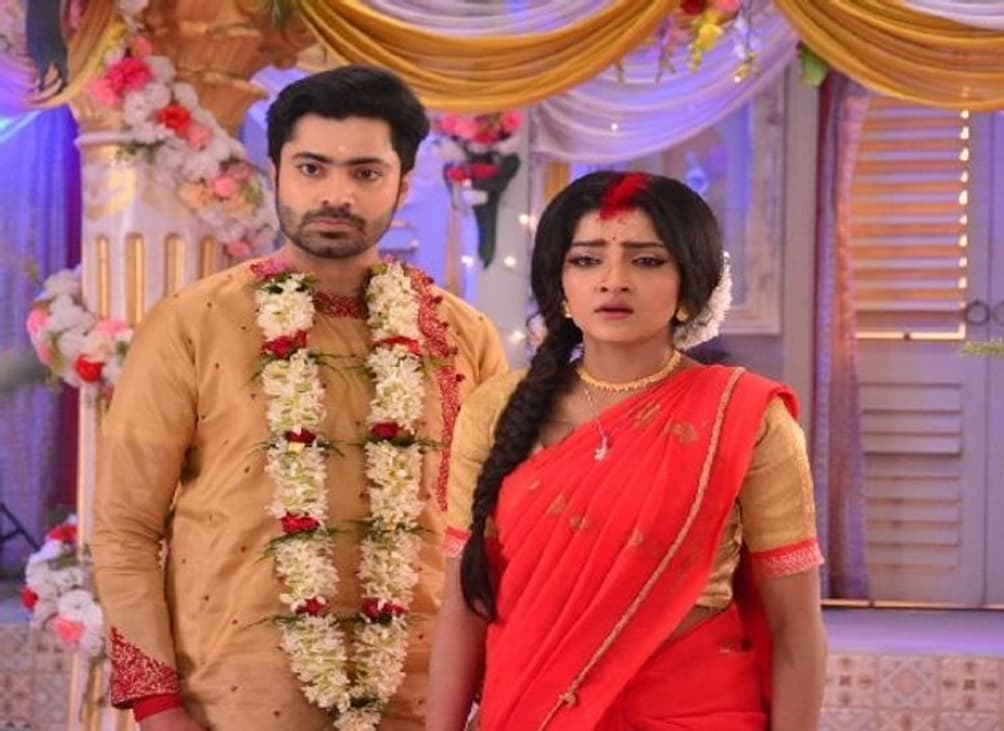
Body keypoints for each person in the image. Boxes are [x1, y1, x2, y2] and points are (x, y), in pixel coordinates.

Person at [91, 66, 507, 730]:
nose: (336, 194)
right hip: (231, 704)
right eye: (312, 168)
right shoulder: (192, 322)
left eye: (366, 173)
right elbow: (125, 529)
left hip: (423, 701)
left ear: (403, 184)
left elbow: (493, 535)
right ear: (276, 173)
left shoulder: (463, 335)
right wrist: (158, 707)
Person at [425, 171, 828, 729]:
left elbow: (796, 630)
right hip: (533, 711)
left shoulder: (745, 417)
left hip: (693, 715)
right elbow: (462, 606)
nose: (613, 281)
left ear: (690, 287)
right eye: (587, 260)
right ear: (559, 285)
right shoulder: (495, 410)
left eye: (647, 261)